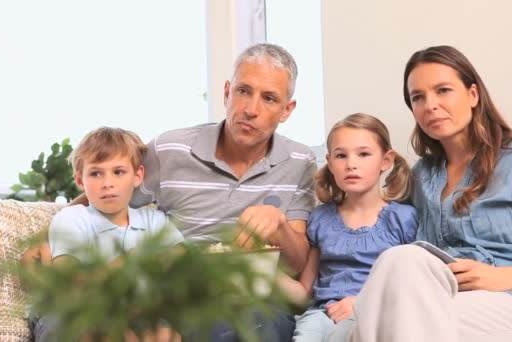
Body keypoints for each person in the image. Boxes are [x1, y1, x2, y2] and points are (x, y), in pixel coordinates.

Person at [25, 43, 317, 341]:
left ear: (287, 110)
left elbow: (296, 263)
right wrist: (50, 233)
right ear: (227, 92)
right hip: (179, 295)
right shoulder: (170, 150)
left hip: (248, 296)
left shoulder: (299, 162)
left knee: (258, 324)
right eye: (243, 91)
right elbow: (107, 190)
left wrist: (278, 224)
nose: (251, 109)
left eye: (269, 98)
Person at [331, 45, 512, 342]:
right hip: (447, 300)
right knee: (395, 266)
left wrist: (501, 277)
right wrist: (368, 300)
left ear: (473, 95)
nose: (431, 105)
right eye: (418, 97)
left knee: (378, 319)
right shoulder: (423, 175)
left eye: (443, 90)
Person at [34, 127, 184, 342]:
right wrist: (134, 262)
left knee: (162, 332)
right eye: (96, 173)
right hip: (74, 312)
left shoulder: (154, 220)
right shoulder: (73, 218)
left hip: (136, 311)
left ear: (138, 176)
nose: (107, 183)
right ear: (80, 181)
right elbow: (70, 283)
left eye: (118, 172)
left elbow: (180, 262)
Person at [289, 113, 417, 342]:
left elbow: (414, 285)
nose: (351, 164)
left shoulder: (402, 218)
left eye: (364, 154)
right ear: (330, 162)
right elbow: (304, 291)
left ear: (386, 161)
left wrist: (364, 305)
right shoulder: (320, 218)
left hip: (372, 313)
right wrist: (260, 272)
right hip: (321, 314)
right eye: (341, 155)